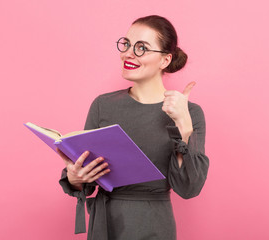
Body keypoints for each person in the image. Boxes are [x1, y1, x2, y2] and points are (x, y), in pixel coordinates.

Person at [57, 15, 209, 240]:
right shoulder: (103, 105)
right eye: (127, 44)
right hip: (105, 225)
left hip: (153, 225)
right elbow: (87, 181)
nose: (128, 53)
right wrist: (76, 178)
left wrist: (184, 126)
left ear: (165, 60)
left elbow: (189, 188)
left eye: (141, 48)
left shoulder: (190, 113)